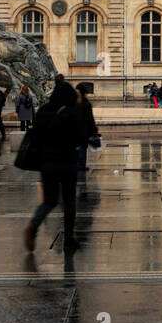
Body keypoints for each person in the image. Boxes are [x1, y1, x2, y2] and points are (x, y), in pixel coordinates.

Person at [22, 81, 98, 253]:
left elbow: (36, 136)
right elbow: (80, 137)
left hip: (46, 163)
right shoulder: (72, 113)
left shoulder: (43, 111)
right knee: (70, 202)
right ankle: (68, 239)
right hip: (67, 162)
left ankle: (33, 226)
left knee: (49, 200)